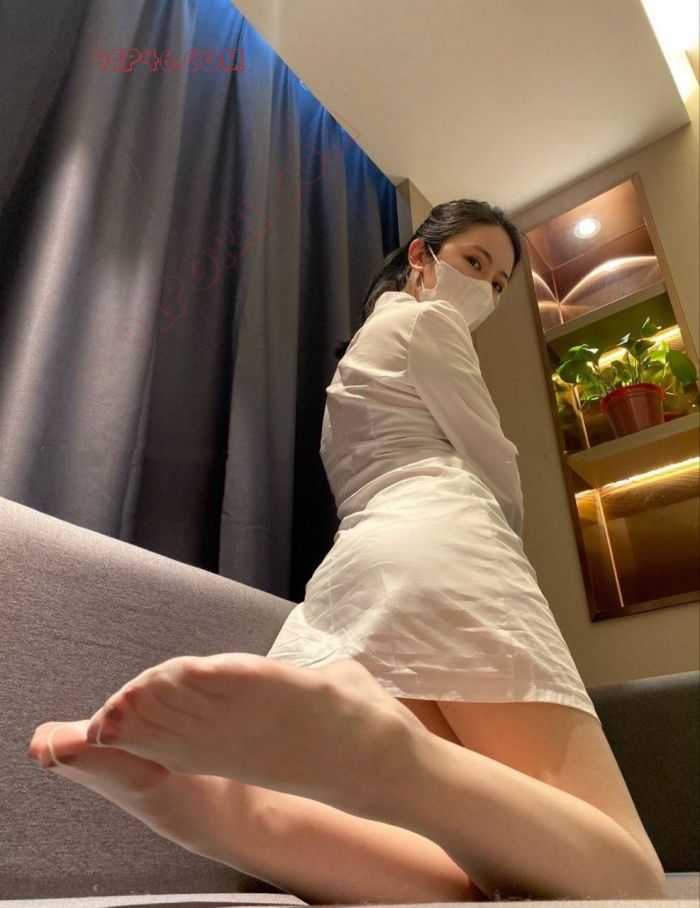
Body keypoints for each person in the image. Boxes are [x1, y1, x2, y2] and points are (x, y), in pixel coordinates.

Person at [28, 200, 668, 904]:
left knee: (469, 882)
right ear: (420, 256)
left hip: (354, 577)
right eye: (475, 262)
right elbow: (494, 465)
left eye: (498, 283)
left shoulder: (356, 360)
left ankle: (225, 811)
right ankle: (394, 761)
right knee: (631, 884)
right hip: (448, 542)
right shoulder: (429, 322)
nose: (484, 291)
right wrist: (507, 558)